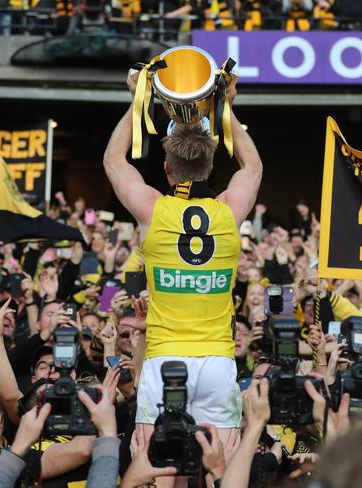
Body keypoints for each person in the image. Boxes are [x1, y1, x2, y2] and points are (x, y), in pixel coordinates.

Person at [103, 67, 263, 465]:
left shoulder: (152, 210)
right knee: (219, 470)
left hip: (163, 359)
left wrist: (137, 98)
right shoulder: (230, 210)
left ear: (167, 169)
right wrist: (225, 106)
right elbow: (252, 167)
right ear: (210, 168)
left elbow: (112, 158)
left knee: (158, 470)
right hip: (218, 362)